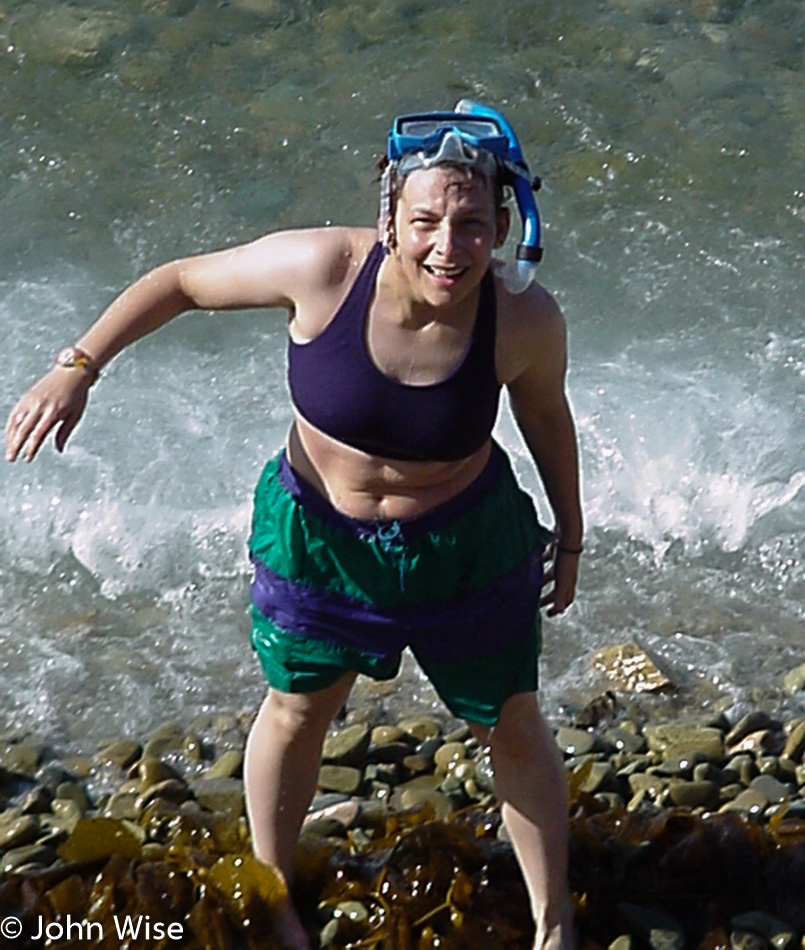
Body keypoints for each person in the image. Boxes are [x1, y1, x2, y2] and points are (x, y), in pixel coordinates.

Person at [5, 101, 583, 950]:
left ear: (504, 224)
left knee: (510, 718)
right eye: (424, 221)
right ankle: (277, 902)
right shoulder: (323, 269)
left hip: (467, 545)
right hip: (319, 543)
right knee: (298, 710)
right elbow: (179, 282)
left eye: (470, 225)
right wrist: (78, 367)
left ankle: (553, 916)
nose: (446, 249)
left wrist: (569, 537)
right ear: (388, 214)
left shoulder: (524, 320)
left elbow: (546, 421)